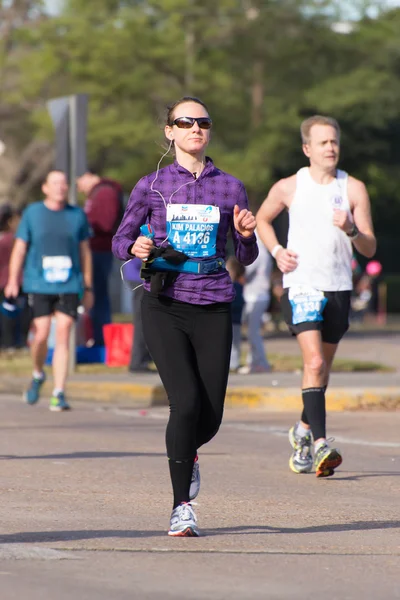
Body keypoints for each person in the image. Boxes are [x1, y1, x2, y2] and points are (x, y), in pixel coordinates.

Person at [112, 96, 258, 537]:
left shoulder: (230, 187)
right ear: (169, 132)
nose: (195, 128)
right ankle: (181, 506)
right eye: (185, 122)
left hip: (214, 301)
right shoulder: (150, 185)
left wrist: (248, 236)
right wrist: (135, 248)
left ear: (209, 131)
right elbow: (121, 241)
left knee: (210, 415)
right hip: (165, 302)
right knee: (186, 402)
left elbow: (245, 255)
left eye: (203, 122)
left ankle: (186, 452)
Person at [256, 115, 376, 478]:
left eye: (334, 141)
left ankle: (303, 431)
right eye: (323, 142)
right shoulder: (289, 187)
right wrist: (277, 251)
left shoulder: (353, 189)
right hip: (302, 284)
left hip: (339, 287)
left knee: (322, 369)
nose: (331, 148)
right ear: (307, 148)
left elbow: (369, 247)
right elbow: (262, 219)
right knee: (313, 363)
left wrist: (352, 228)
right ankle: (322, 443)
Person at [5, 171, 93, 411]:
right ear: (45, 188)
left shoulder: (77, 215)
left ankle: (59, 392)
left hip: (69, 282)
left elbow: (85, 252)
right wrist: (14, 279)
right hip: (39, 282)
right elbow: (20, 248)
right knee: (41, 334)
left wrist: (87, 285)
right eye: (55, 183)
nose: (60, 187)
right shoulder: (33, 213)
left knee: (64, 331)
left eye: (64, 183)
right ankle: (37, 373)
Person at [77, 171, 124, 347]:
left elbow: (105, 222)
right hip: (95, 250)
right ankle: (97, 338)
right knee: (95, 295)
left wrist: (84, 225)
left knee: (98, 296)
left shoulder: (105, 192)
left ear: (87, 175)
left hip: (100, 251)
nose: (80, 189)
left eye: (79, 183)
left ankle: (101, 340)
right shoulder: (98, 193)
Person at [238, 230, 273, 374]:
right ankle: (253, 362)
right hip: (261, 295)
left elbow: (245, 271)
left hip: (255, 296)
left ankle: (261, 363)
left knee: (253, 333)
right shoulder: (266, 253)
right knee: (253, 331)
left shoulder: (257, 252)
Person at [0, 204, 27, 351]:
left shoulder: (9, 239)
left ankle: (9, 343)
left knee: (10, 312)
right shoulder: (13, 239)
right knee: (15, 313)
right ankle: (15, 342)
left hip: (10, 280)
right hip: (14, 280)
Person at [226, 256, 246, 372]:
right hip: (233, 319)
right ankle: (232, 363)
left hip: (234, 319)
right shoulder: (236, 286)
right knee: (232, 343)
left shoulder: (236, 286)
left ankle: (234, 363)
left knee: (234, 343)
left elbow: (238, 302)